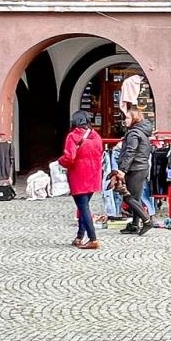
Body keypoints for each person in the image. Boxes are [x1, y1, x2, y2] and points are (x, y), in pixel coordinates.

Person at [59, 110, 105, 250]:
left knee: (83, 208)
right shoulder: (96, 136)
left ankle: (93, 238)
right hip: (93, 175)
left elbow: (69, 157)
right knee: (82, 206)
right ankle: (79, 236)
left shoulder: (73, 136)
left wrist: (60, 161)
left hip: (79, 175)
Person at [110, 102, 156, 236]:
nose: (125, 121)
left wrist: (122, 169)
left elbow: (131, 151)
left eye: (128, 118)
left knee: (128, 197)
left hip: (135, 168)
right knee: (135, 197)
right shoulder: (142, 132)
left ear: (135, 119)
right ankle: (134, 225)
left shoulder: (134, 134)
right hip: (141, 167)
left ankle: (146, 220)